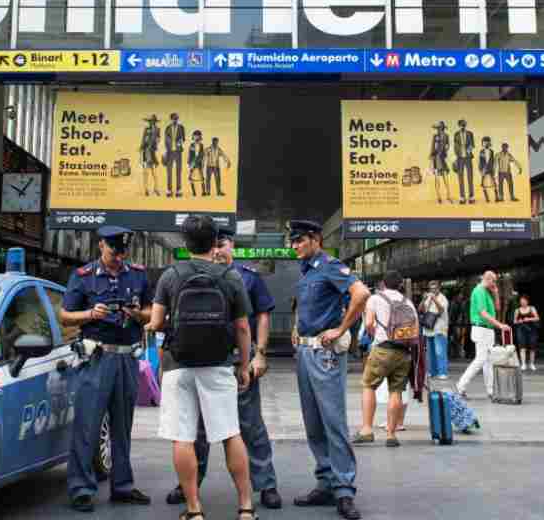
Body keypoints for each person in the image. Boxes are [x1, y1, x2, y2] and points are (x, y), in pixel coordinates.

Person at [147, 216, 256, 520]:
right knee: (231, 433)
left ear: (186, 243)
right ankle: (245, 507)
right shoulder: (230, 277)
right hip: (219, 364)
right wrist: (244, 365)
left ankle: (194, 509)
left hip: (178, 365)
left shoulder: (170, 275)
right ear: (214, 242)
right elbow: (243, 327)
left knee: (183, 437)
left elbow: (156, 323)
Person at [167, 224, 282, 510]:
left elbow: (262, 317)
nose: (219, 250)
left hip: (236, 361)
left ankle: (266, 484)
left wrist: (259, 355)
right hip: (204, 362)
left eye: (224, 244)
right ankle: (190, 486)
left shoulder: (247, 278)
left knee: (250, 426)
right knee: (199, 431)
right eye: (215, 245)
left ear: (233, 246)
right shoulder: (189, 274)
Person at [58, 225, 153, 512]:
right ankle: (81, 489)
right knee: (87, 424)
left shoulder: (136, 274)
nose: (118, 257)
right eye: (113, 251)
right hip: (96, 358)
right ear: (101, 246)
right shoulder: (83, 276)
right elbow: (64, 315)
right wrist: (90, 313)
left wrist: (136, 313)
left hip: (127, 358)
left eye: (122, 252)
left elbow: (152, 312)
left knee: (122, 426)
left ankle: (122, 486)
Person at [289, 220, 370, 520]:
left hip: (325, 355)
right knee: (314, 423)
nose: (294, 246)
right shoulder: (308, 269)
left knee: (333, 422)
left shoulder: (329, 265)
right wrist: (297, 327)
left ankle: (344, 490)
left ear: (315, 239)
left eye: (299, 240)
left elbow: (361, 294)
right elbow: (305, 304)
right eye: (292, 241)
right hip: (306, 351)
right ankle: (325, 482)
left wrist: (341, 328)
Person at [354, 271, 414, 449]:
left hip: (382, 349)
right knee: (396, 391)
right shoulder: (408, 302)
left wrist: (376, 335)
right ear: (400, 285)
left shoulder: (375, 298)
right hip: (403, 352)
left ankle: (366, 430)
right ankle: (391, 434)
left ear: (383, 284)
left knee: (368, 385)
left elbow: (369, 323)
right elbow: (415, 329)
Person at [455, 270, 509, 400]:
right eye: (494, 281)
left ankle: (490, 391)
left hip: (487, 330)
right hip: (481, 329)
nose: (495, 283)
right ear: (487, 279)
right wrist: (500, 325)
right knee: (481, 360)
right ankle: (461, 385)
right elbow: (483, 313)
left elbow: (497, 308)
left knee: (488, 361)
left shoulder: (486, 292)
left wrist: (496, 293)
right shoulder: (479, 291)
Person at [420, 280, 449, 379]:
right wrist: (423, 300)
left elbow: (441, 310)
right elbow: (421, 310)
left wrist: (434, 299)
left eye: (435, 288)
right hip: (429, 329)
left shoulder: (442, 298)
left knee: (440, 351)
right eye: (431, 289)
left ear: (439, 288)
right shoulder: (428, 298)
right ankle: (432, 372)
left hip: (439, 329)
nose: (433, 290)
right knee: (430, 352)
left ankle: (442, 372)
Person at [513, 295, 540, 371]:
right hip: (521, 329)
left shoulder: (532, 308)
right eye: (521, 301)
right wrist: (519, 321)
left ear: (527, 301)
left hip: (532, 329)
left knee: (532, 347)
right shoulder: (517, 310)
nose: (523, 303)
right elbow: (514, 321)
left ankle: (531, 364)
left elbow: (537, 318)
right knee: (522, 347)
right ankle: (523, 364)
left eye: (524, 301)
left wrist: (529, 319)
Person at [454, 119, 476, 204]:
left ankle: (471, 197)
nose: (462, 126)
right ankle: (462, 197)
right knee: (460, 177)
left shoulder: (470, 133)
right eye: (461, 125)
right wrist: (457, 155)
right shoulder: (456, 134)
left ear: (465, 125)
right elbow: (455, 146)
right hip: (460, 158)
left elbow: (472, 145)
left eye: (464, 125)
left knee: (470, 177)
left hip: (468, 158)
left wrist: (468, 150)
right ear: (459, 125)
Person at [164, 112, 186, 198]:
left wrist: (179, 142)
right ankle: (169, 190)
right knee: (169, 172)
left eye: (176, 118)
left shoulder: (181, 127)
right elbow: (165, 139)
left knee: (178, 171)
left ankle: (178, 190)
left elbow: (183, 139)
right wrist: (166, 150)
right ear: (171, 119)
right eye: (174, 118)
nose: (175, 120)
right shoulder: (168, 128)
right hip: (169, 152)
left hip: (178, 152)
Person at [430, 121, 452, 204]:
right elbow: (432, 147)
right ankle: (439, 196)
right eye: (438, 128)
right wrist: (432, 158)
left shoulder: (446, 136)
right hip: (436, 158)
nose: (439, 130)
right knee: (437, 177)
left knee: (445, 176)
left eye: (440, 128)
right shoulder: (435, 136)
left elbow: (448, 145)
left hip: (442, 158)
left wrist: (445, 149)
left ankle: (448, 195)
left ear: (443, 128)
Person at [140, 115, 161, 197]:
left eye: (153, 121)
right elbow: (143, 140)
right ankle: (146, 190)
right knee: (146, 173)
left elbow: (158, 140)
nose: (151, 123)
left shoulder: (157, 130)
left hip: (152, 153)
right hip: (145, 152)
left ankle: (156, 189)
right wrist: (142, 148)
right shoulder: (146, 129)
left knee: (154, 173)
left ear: (155, 122)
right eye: (150, 121)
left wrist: (154, 140)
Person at [188, 130, 206, 197]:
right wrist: (190, 163)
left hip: (199, 163)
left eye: (198, 136)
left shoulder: (201, 145)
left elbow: (202, 155)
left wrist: (201, 161)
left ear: (200, 137)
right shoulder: (191, 145)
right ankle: (194, 192)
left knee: (201, 177)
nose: (196, 137)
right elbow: (190, 155)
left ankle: (203, 192)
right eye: (195, 136)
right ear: (193, 136)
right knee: (191, 177)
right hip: (192, 163)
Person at [479, 137, 497, 204]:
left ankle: (496, 197)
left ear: (489, 143)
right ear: (482, 143)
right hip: (484, 169)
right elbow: (481, 161)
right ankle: (487, 198)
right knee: (483, 184)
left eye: (487, 142)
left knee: (494, 183)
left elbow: (492, 161)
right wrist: (481, 170)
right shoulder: (481, 151)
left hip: (490, 169)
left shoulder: (492, 151)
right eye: (484, 142)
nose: (486, 143)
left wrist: (493, 169)